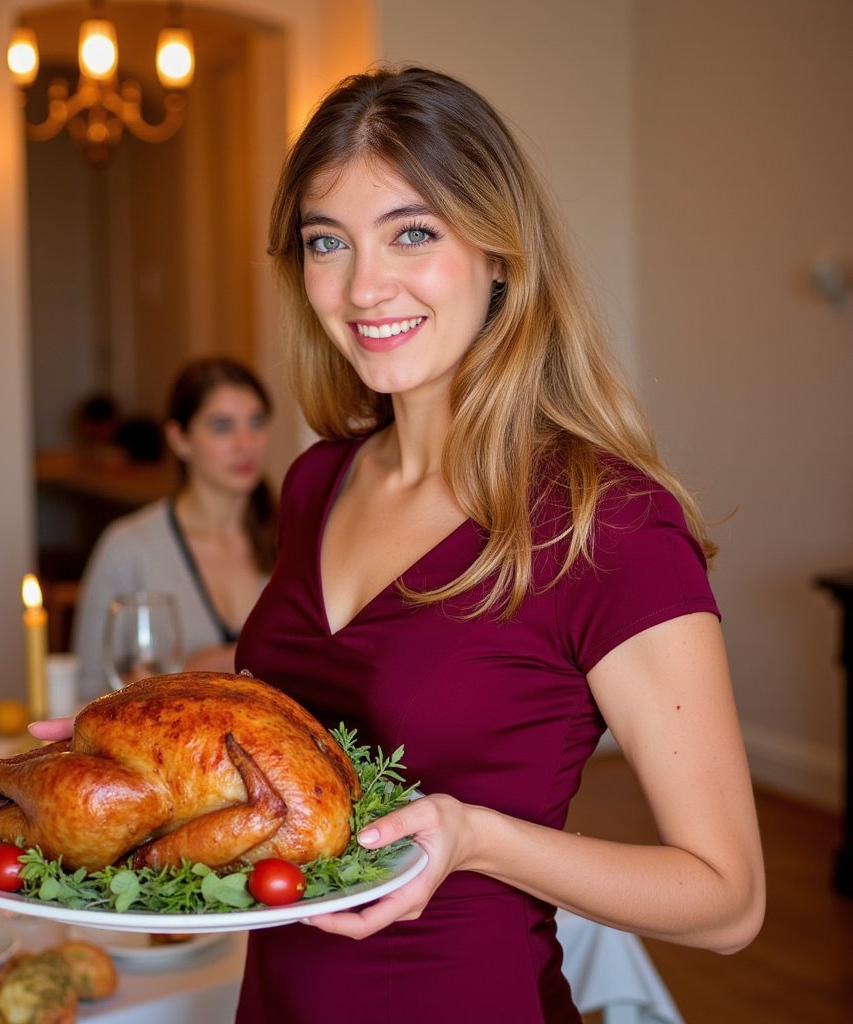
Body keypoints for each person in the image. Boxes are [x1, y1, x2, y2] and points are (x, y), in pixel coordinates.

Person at [228, 66, 764, 1022]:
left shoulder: (608, 523)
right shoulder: (317, 482)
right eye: (326, 242)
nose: (362, 286)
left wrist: (478, 839)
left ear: (501, 255)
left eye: (413, 233)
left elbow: (728, 900)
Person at [72, 357, 277, 699]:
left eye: (256, 423)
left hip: (275, 746)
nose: (246, 444)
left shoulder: (295, 540)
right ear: (179, 439)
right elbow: (89, 686)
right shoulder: (128, 548)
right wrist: (177, 678)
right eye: (222, 426)